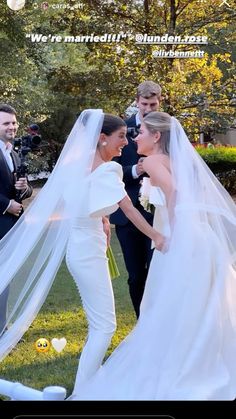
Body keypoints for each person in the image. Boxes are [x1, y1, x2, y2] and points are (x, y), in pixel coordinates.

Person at [70, 111, 236, 401]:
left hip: (179, 237)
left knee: (172, 303)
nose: (135, 138)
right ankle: (203, 357)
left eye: (140, 133)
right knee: (198, 303)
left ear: (157, 136)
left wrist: (173, 230)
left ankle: (183, 362)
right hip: (194, 236)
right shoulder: (170, 161)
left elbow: (174, 195)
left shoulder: (154, 161)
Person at [0, 110, 164, 391]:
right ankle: (84, 391)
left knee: (99, 324)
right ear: (102, 139)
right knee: (105, 326)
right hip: (88, 252)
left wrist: (99, 217)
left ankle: (93, 384)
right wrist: (157, 236)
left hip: (80, 248)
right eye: (121, 136)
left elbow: (78, 202)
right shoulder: (107, 170)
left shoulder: (76, 167)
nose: (126, 142)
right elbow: (128, 209)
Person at [110, 80, 162, 318]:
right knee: (135, 275)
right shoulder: (123, 128)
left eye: (153, 103)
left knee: (158, 271)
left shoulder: (166, 128)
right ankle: (142, 321)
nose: (149, 109)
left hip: (158, 214)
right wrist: (136, 170)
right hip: (127, 215)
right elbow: (112, 166)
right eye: (144, 104)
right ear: (137, 102)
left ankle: (158, 319)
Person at [0, 103, 33, 333]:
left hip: (11, 226)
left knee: (5, 279)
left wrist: (24, 189)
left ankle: (2, 328)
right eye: (6, 123)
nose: (12, 126)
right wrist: (6, 204)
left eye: (13, 122)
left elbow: (24, 190)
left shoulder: (14, 152)